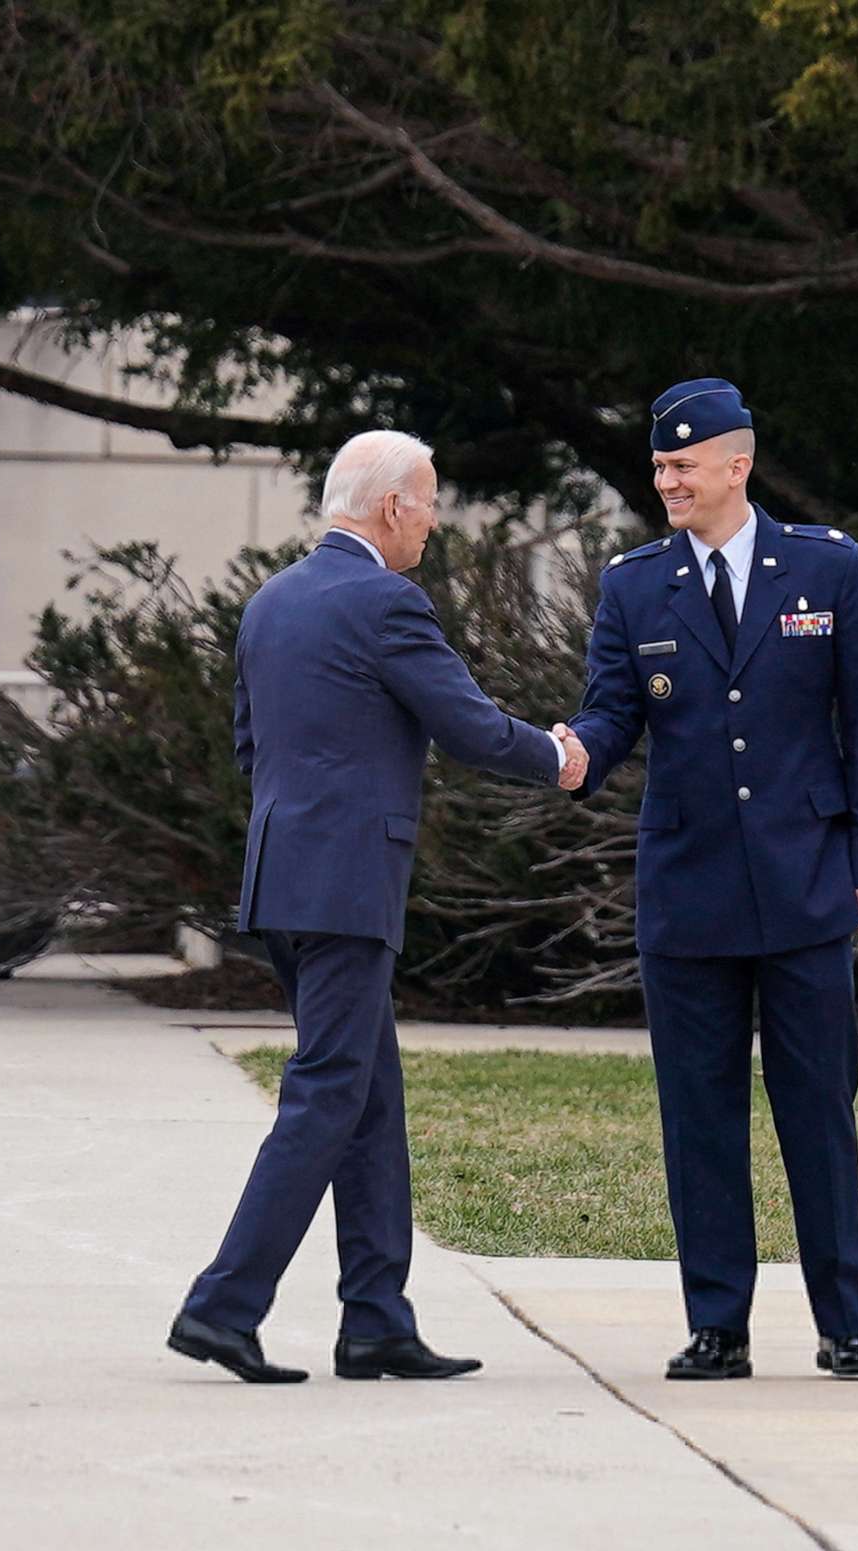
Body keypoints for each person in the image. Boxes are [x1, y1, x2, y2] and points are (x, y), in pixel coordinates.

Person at [167, 430, 580, 1384]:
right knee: (325, 1095)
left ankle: (377, 1320)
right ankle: (221, 1307)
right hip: (349, 883)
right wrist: (559, 756)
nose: (435, 521)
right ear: (391, 507)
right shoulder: (387, 601)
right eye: (429, 503)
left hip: (284, 882)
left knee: (368, 1096)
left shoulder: (272, 602)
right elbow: (469, 727)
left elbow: (249, 747)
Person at [565, 378, 858, 1381]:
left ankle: (845, 1321)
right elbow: (610, 712)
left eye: (681, 464)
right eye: (659, 466)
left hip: (806, 885)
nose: (666, 479)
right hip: (688, 888)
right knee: (699, 1116)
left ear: (736, 464)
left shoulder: (825, 568)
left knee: (817, 1110)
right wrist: (571, 753)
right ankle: (719, 1324)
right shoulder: (635, 585)